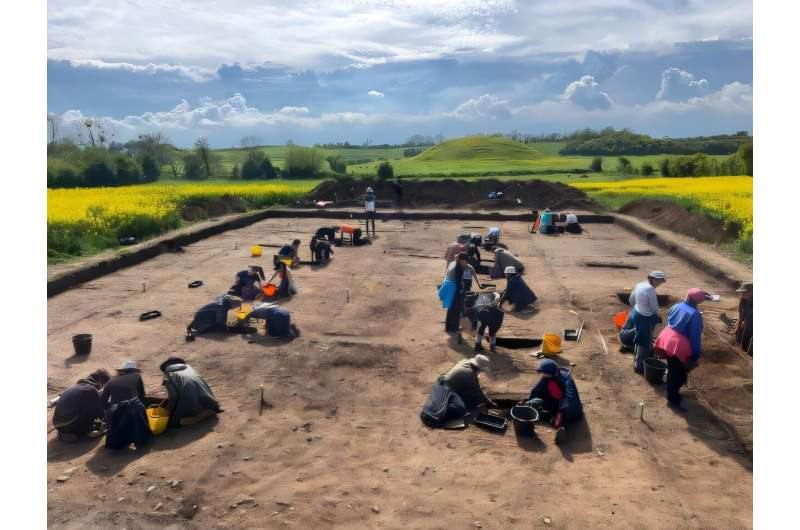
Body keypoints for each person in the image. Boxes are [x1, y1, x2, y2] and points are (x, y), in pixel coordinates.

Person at [654, 289, 712, 411]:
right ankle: (673, 400)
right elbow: (694, 336)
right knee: (677, 373)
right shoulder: (694, 314)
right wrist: (695, 354)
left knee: (673, 368)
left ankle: (673, 393)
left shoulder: (677, 305)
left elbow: (669, 317)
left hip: (667, 336)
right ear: (699, 301)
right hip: (678, 345)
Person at [525, 359, 583, 444]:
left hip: (568, 409)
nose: (542, 374)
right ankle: (552, 419)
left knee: (562, 418)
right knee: (532, 403)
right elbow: (536, 390)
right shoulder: (549, 377)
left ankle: (561, 429)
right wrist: (527, 401)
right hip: (555, 403)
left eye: (543, 372)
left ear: (549, 373)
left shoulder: (567, 381)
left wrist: (562, 413)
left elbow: (571, 402)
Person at [159, 357, 223, 427]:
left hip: (190, 402)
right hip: (208, 400)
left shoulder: (168, 374)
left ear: (165, 368)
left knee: (175, 422)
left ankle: (197, 417)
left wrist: (168, 411)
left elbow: (173, 396)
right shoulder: (190, 369)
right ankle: (208, 410)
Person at [102, 360, 151, 450]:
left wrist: (107, 415)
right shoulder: (136, 376)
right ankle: (140, 439)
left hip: (116, 411)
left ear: (121, 371)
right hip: (133, 407)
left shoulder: (111, 381)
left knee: (116, 417)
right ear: (133, 370)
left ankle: (119, 443)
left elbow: (103, 401)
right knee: (137, 408)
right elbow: (142, 395)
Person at [52, 369, 111, 442]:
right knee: (97, 416)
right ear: (100, 381)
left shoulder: (75, 386)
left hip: (57, 423)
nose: (102, 388)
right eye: (104, 385)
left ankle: (65, 431)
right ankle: (87, 432)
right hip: (68, 424)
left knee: (86, 407)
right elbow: (100, 413)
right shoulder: (92, 390)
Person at [630, 271, 667, 374]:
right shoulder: (650, 289)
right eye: (659, 281)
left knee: (639, 337)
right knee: (645, 342)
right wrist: (659, 315)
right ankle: (640, 366)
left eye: (661, 281)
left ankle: (636, 361)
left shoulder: (640, 284)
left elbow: (631, 299)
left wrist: (638, 307)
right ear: (653, 279)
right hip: (644, 317)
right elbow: (654, 307)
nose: (660, 283)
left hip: (637, 313)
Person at [439, 253, 469, 332]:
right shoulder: (459, 268)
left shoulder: (454, 264)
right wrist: (461, 290)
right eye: (465, 261)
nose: (466, 263)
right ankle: (454, 328)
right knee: (456, 310)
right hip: (455, 290)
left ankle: (448, 327)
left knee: (451, 309)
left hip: (450, 289)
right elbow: (458, 281)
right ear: (462, 260)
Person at [735, 282, 753, 356]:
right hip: (747, 325)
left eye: (744, 292)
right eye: (742, 292)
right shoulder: (743, 301)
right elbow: (741, 316)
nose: (742, 294)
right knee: (744, 345)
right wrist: (737, 328)